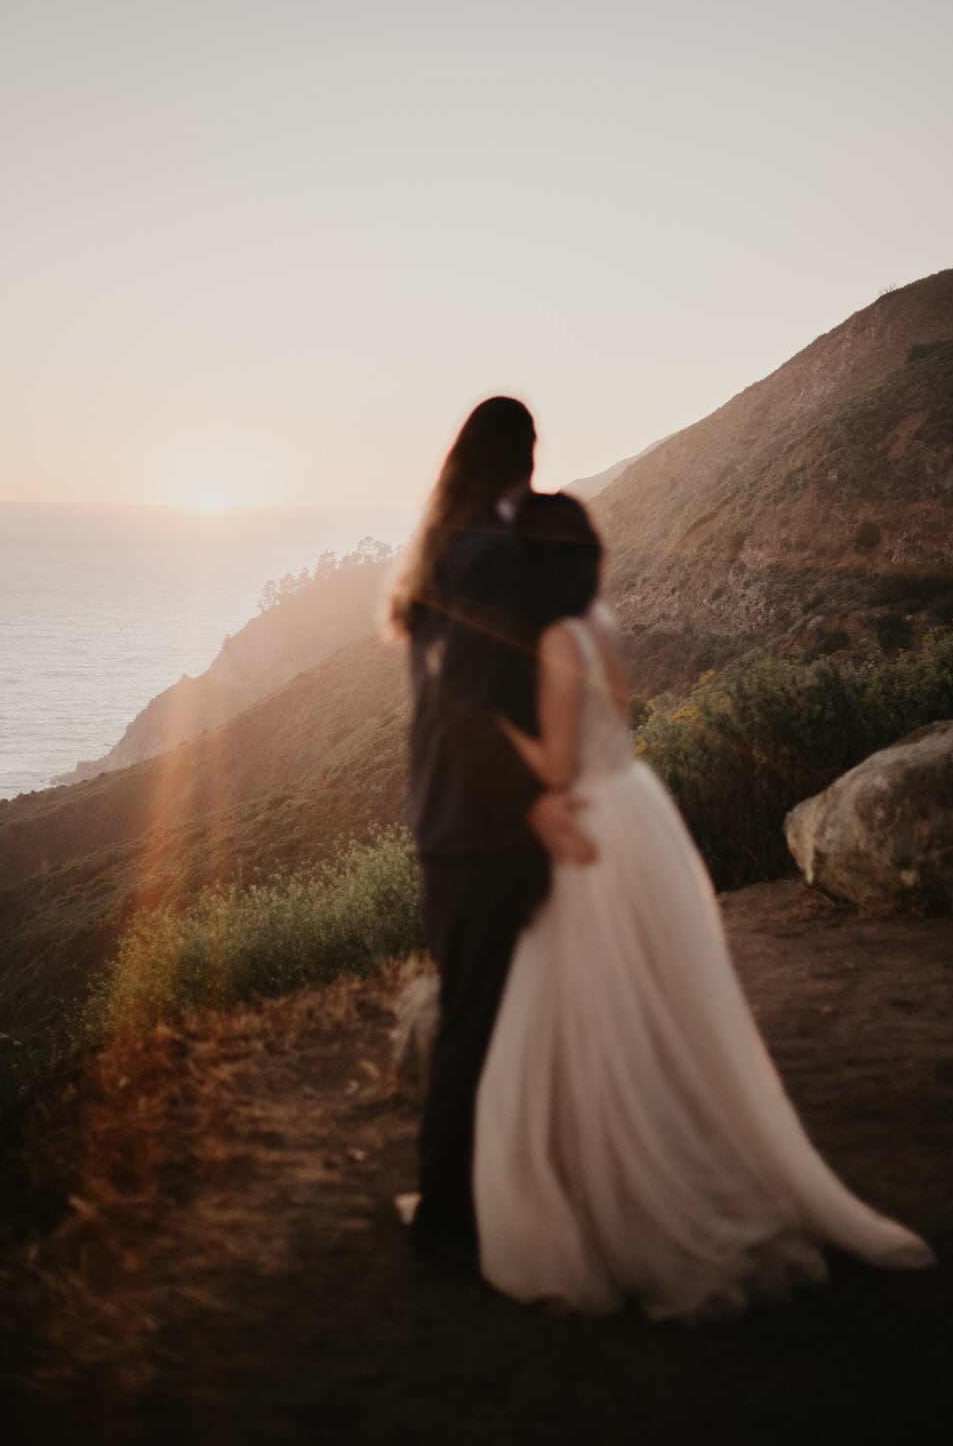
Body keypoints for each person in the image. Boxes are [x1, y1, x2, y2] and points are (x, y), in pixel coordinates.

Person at [473, 491, 934, 1317]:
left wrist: (489, 729)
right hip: (638, 813)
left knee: (590, 996)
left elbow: (552, 765)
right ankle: (663, 1149)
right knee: (659, 994)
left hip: (590, 827)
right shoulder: (601, 626)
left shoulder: (550, 638)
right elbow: (614, 724)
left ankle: (616, 1185)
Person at [387, 400, 595, 1264]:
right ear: (526, 458)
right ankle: (447, 1222)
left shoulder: (446, 547)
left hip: (449, 823)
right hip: (482, 830)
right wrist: (531, 803)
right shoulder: (490, 558)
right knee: (480, 1022)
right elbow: (463, 704)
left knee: (484, 1013)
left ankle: (476, 1197)